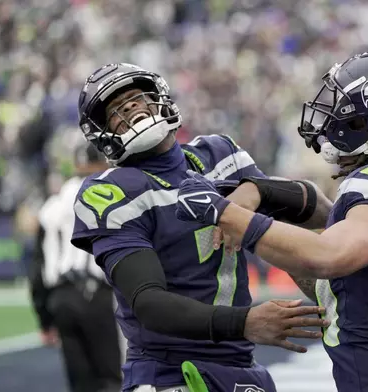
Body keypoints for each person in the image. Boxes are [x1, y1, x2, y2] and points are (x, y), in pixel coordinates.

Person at [175, 49, 368, 392]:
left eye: (342, 106)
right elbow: (339, 289)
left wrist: (223, 212)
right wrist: (264, 206)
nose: (329, 113)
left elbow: (328, 256)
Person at [70, 63, 332, 392]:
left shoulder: (220, 155)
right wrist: (247, 322)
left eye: (137, 97)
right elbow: (149, 303)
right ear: (103, 134)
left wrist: (258, 190)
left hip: (240, 366)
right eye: (115, 110)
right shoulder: (112, 191)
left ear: (161, 98)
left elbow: (321, 215)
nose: (130, 108)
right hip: (170, 374)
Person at [29, 143, 122, 392]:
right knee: (112, 377)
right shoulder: (112, 196)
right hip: (100, 295)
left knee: (80, 383)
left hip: (62, 298)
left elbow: (38, 267)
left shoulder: (51, 206)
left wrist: (44, 319)